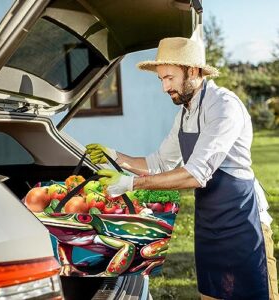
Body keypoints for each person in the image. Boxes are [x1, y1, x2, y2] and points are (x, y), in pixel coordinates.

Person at [85, 37, 278, 300]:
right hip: (209, 222)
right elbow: (160, 163)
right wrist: (116, 156)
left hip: (244, 220)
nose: (165, 87)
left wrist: (131, 184)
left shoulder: (223, 106)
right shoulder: (185, 113)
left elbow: (197, 174)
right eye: (161, 79)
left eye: (170, 78)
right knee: (212, 295)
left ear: (194, 71)